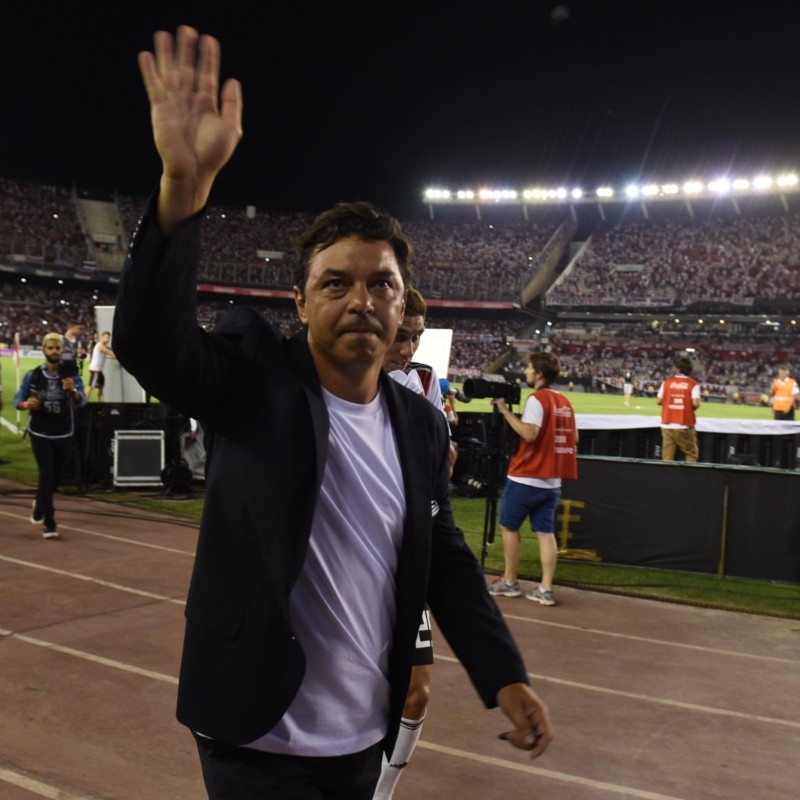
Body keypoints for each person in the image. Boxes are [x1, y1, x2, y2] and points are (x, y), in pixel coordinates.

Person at [112, 26, 552, 800]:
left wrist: (503, 675)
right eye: (336, 282)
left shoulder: (420, 424)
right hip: (254, 726)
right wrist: (181, 197)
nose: (361, 299)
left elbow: (444, 558)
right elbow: (151, 343)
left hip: (360, 731)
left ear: (402, 304)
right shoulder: (253, 377)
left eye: (380, 283)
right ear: (300, 301)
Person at [374, 286, 444, 800]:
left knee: (417, 691)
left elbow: (440, 450)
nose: (410, 349)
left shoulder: (424, 381)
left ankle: (382, 792)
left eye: (417, 337)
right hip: (358, 556)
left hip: (408, 553)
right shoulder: (352, 377)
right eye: (404, 336)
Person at [487, 352, 578, 607]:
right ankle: (546, 589)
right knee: (546, 533)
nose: (525, 372)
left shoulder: (537, 399)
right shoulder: (564, 401)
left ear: (539, 374)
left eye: (528, 368)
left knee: (509, 527)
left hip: (526, 477)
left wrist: (505, 411)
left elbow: (529, 434)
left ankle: (510, 581)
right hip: (552, 482)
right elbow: (575, 438)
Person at [13, 332, 87, 538]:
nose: (54, 352)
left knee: (55, 479)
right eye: (50, 348)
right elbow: (18, 399)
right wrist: (27, 404)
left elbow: (82, 402)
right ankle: (50, 522)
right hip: (40, 431)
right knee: (46, 475)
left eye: (58, 348)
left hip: (63, 431)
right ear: (44, 350)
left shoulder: (71, 375)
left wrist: (72, 391)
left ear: (62, 351)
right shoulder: (34, 375)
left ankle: (39, 500)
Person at [656, 356, 701, 462]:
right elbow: (695, 403)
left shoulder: (667, 382)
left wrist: (670, 402)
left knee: (667, 456)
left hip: (667, 423)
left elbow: (658, 401)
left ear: (678, 369)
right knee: (691, 453)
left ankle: (666, 477)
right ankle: (688, 477)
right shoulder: (693, 384)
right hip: (683, 423)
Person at [87, 331, 115, 402]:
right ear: (102, 337)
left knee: (101, 386)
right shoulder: (101, 346)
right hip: (95, 369)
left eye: (108, 338)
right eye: (106, 337)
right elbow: (111, 353)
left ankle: (99, 401)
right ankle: (85, 402)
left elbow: (112, 350)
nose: (107, 339)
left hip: (99, 370)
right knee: (90, 386)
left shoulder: (104, 346)